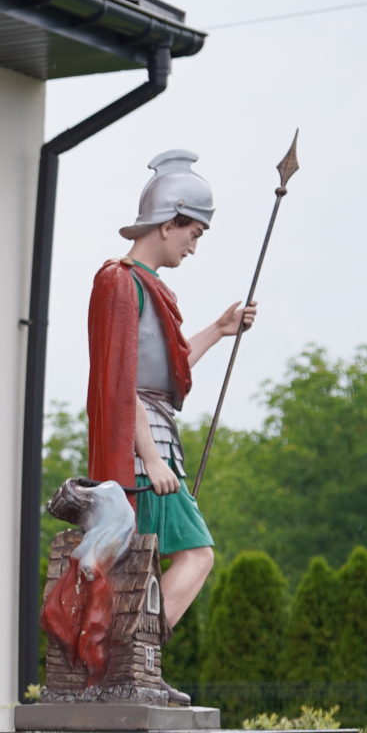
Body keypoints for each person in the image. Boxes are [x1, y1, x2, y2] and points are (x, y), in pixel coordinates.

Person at [84, 149, 257, 632]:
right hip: (144, 455)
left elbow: (164, 371)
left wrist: (219, 330)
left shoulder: (144, 285)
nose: (193, 247)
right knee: (197, 554)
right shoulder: (120, 281)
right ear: (168, 223)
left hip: (156, 443)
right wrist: (152, 459)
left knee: (144, 562)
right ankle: (140, 649)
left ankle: (134, 650)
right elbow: (124, 382)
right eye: (193, 233)